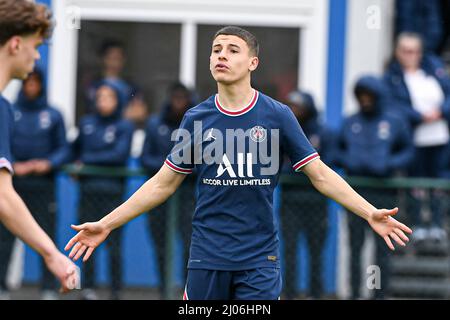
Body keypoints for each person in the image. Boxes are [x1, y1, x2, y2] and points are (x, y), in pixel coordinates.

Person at [65, 26, 412, 300]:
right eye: (216, 49)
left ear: (252, 63)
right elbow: (162, 183)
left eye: (233, 50)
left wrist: (369, 212)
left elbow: (319, 174)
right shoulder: (195, 119)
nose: (222, 55)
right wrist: (107, 223)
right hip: (206, 257)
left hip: (258, 260)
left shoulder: (278, 115)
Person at [0, 0, 78, 297]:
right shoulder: (3, 109)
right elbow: (3, 195)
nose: (37, 55)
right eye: (36, 45)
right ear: (16, 44)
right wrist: (52, 255)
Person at [335, 75, 415, 299]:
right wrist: (349, 160)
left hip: (383, 193)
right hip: (355, 194)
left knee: (381, 249)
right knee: (356, 247)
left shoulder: (393, 121)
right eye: (362, 96)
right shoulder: (351, 122)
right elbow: (335, 152)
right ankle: (354, 293)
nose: (365, 100)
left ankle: (377, 294)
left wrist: (389, 164)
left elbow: (408, 151)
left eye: (370, 96)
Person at [0, 68, 69, 300]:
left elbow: (63, 149)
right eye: (28, 82)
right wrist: (12, 164)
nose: (31, 86)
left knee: (45, 236)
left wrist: (48, 163)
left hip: (44, 186)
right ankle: (2, 287)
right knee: (4, 238)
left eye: (35, 82)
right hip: (13, 185)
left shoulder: (53, 114)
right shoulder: (10, 110)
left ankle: (48, 289)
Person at [70, 82, 134, 300]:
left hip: (114, 195)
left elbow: (118, 156)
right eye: (100, 96)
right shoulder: (86, 123)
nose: (103, 101)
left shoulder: (125, 125)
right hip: (88, 192)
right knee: (87, 241)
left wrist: (86, 162)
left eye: (108, 97)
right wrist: (77, 162)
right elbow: (74, 150)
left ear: (117, 100)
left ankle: (116, 291)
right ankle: (88, 288)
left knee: (114, 246)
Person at [384, 32, 450, 243]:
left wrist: (440, 112)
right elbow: (394, 105)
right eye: (405, 51)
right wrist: (419, 116)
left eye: (414, 51)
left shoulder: (433, 71)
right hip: (413, 137)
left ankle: (437, 224)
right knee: (416, 183)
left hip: (439, 136)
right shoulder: (393, 77)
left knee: (439, 181)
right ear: (398, 52)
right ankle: (417, 225)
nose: (410, 55)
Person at [140, 82, 196, 298]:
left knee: (190, 247)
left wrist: (181, 169)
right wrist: (171, 167)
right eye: (175, 97)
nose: (178, 102)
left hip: (187, 197)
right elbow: (145, 157)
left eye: (183, 98)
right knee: (160, 246)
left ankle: (187, 291)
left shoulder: (197, 123)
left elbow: (203, 161)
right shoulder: (155, 123)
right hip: (159, 196)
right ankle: (164, 290)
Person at [279, 90, 333, 299]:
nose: (294, 110)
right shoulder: (284, 132)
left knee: (316, 252)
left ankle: (316, 294)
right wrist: (298, 168)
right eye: (291, 106)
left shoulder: (323, 132)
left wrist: (299, 167)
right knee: (289, 250)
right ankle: (289, 294)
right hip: (290, 201)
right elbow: (278, 163)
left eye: (298, 106)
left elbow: (328, 163)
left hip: (316, 202)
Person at [84, 40, 148, 128]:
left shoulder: (131, 87)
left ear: (124, 60)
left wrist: (111, 112)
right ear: (103, 59)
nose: (115, 63)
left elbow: (140, 113)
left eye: (118, 58)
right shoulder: (94, 86)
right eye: (111, 58)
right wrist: (124, 113)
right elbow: (95, 113)